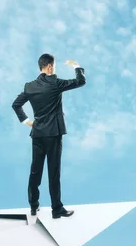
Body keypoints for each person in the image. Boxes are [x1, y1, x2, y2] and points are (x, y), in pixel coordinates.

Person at [11, 53, 86, 218]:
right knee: (54, 172)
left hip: (37, 133)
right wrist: (76, 66)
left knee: (35, 171)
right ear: (50, 66)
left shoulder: (29, 86)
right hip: (54, 134)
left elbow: (15, 105)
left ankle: (33, 206)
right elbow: (81, 81)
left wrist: (26, 121)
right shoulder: (55, 83)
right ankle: (56, 209)